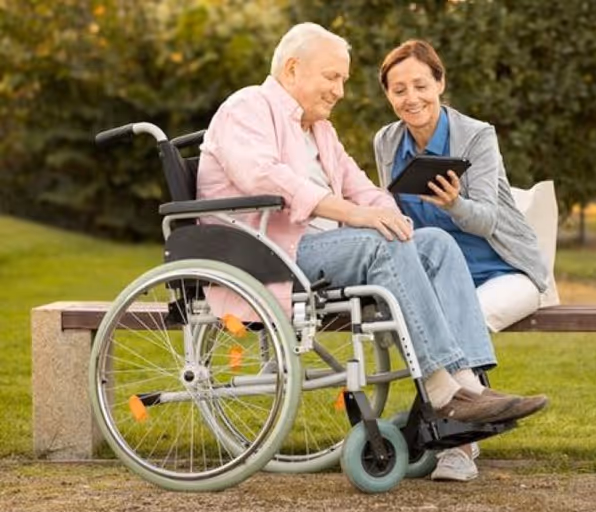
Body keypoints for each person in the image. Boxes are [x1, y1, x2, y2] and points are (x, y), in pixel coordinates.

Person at [197, 24, 548, 446]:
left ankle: (469, 387)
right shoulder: (247, 107)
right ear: (293, 69)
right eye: (332, 77)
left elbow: (363, 186)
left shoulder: (318, 130)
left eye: (342, 79)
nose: (340, 91)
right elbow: (264, 177)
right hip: (267, 250)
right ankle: (442, 393)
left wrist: (392, 217)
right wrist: (354, 214)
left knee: (434, 242)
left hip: (312, 248)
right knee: (380, 243)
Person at [373, 40, 555, 481]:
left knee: (450, 321)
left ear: (440, 83)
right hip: (437, 270)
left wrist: (454, 203)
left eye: (420, 85)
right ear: (387, 95)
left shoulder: (476, 135)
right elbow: (395, 217)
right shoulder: (386, 140)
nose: (411, 98)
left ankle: (459, 449)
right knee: (416, 312)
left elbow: (489, 220)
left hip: (505, 269)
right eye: (399, 90)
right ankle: (473, 413)